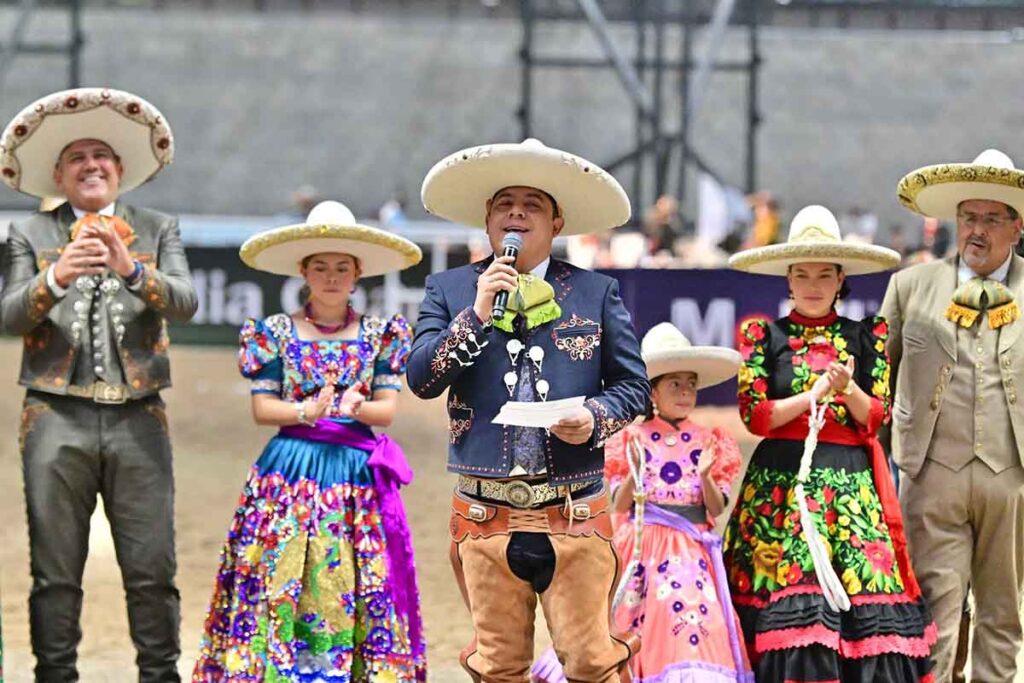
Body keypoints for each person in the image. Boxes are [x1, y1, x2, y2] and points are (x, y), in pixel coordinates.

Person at [407, 138, 649, 682]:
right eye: (504, 203)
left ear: (557, 222)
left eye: (532, 204)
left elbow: (634, 387)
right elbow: (422, 379)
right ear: (488, 221)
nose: (516, 212)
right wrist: (474, 314)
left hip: (575, 510)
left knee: (591, 660)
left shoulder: (595, 291)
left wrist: (593, 418)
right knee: (498, 665)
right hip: (484, 512)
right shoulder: (448, 290)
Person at [0, 87, 195, 682]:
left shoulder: (157, 228)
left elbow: (185, 302)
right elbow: (8, 317)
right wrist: (54, 277)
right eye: (78, 158)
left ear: (120, 171)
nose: (92, 165)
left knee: (152, 568)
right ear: (58, 175)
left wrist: (132, 269)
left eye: (102, 156)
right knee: (55, 571)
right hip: (55, 417)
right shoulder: (30, 233)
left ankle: (158, 677)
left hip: (140, 416)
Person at [193, 200, 426, 681]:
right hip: (291, 467)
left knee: (352, 575)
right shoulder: (273, 333)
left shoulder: (382, 334)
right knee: (280, 567)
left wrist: (356, 409)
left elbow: (387, 410)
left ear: (358, 272)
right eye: (321, 267)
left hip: (355, 471)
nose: (332, 276)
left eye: (342, 267)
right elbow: (263, 410)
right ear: (303, 271)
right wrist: (306, 411)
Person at [722, 205, 935, 681]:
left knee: (866, 590)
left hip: (850, 484)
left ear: (841, 279)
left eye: (824, 274)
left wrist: (847, 389)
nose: (813, 284)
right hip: (782, 484)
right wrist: (811, 396)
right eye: (802, 274)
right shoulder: (764, 335)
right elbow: (756, 416)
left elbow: (876, 415)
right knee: (795, 595)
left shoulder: (866, 336)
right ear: (788, 281)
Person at [883, 149, 1024, 682]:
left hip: (1013, 477)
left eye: (991, 219)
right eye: (969, 217)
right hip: (930, 474)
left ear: (1017, 226)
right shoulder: (909, 287)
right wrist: (898, 456)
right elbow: (880, 380)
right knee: (933, 615)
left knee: (1003, 615)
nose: (977, 231)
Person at [603, 323, 753, 682]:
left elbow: (716, 509)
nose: (685, 392)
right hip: (642, 547)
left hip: (691, 550)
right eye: (675, 384)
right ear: (652, 391)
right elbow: (619, 506)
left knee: (693, 616)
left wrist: (704, 477)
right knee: (638, 619)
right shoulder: (631, 439)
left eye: (691, 384)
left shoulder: (711, 439)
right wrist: (635, 473)